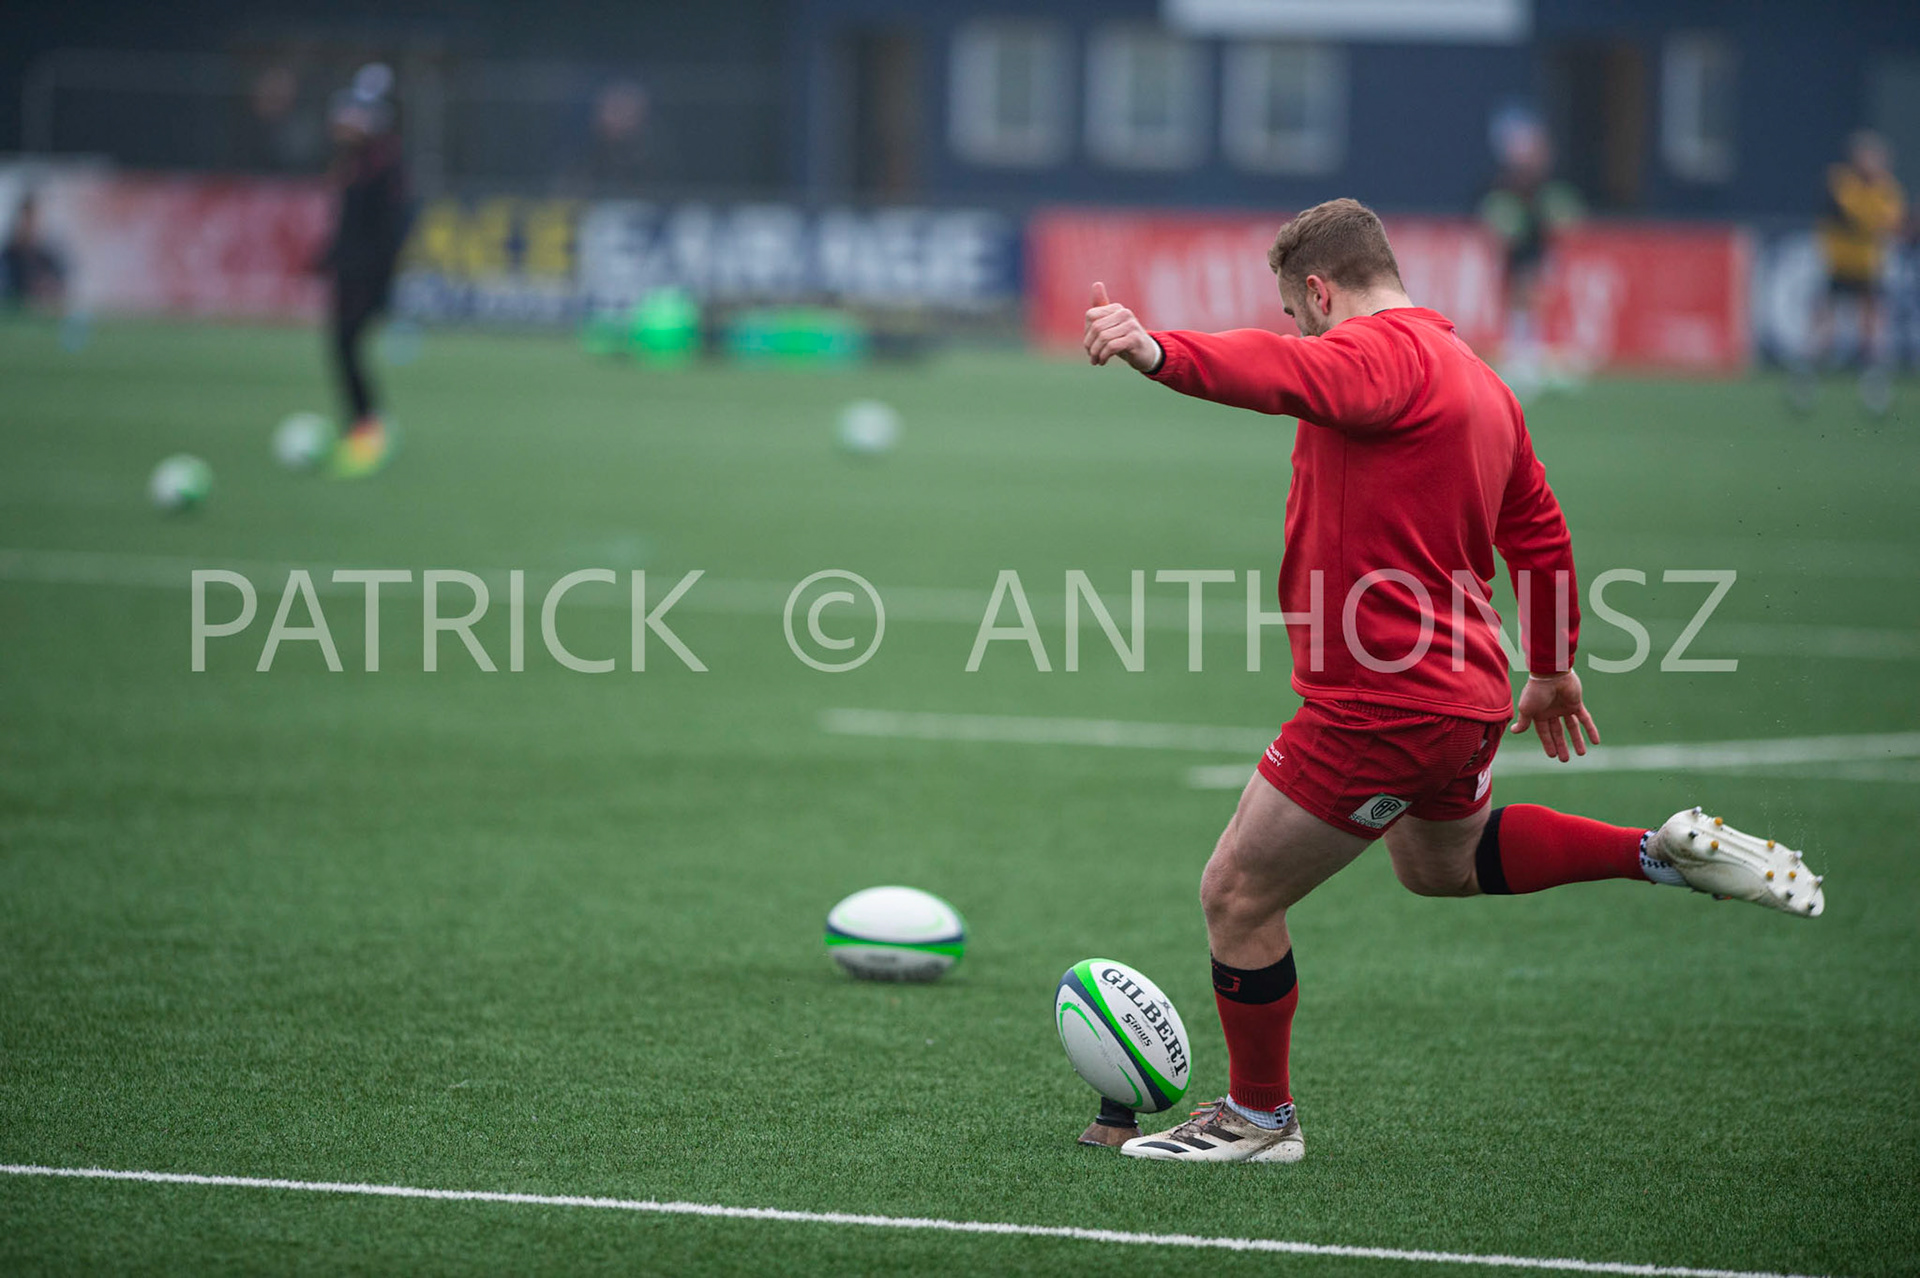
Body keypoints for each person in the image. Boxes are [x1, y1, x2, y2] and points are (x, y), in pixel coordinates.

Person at [1080, 199, 1823, 1165]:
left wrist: (1157, 352)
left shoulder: (1378, 354)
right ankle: (1658, 854)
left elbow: (1283, 372)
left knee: (1237, 894)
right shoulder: (1482, 382)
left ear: (1320, 291)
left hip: (1379, 701)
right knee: (1442, 867)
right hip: (1463, 695)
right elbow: (1541, 533)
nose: (1302, 333)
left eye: (1299, 314)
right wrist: (1551, 667)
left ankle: (1260, 1119)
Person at [316, 64, 411, 478]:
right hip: (351, 270)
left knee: (346, 345)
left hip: (364, 275)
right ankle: (365, 426)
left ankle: (368, 428)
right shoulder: (355, 162)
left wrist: (378, 276)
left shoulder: (381, 164)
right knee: (344, 347)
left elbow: (386, 229)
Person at [1793, 131, 1907, 415]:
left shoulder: (1887, 190)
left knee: (1871, 330)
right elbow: (1850, 215)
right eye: (1867, 157)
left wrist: (1876, 224)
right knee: (1825, 329)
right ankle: (1804, 382)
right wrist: (1873, 223)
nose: (1873, 163)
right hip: (1839, 265)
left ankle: (1873, 389)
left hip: (1868, 268)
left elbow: (1892, 223)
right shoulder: (1842, 181)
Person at [1478, 112, 1582, 398]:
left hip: (1538, 250)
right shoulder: (1503, 186)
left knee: (1534, 300)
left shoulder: (1548, 187)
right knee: (1518, 301)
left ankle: (1532, 361)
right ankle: (1520, 360)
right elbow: (1492, 216)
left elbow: (1565, 218)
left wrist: (1560, 222)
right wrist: (1501, 227)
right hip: (1515, 252)